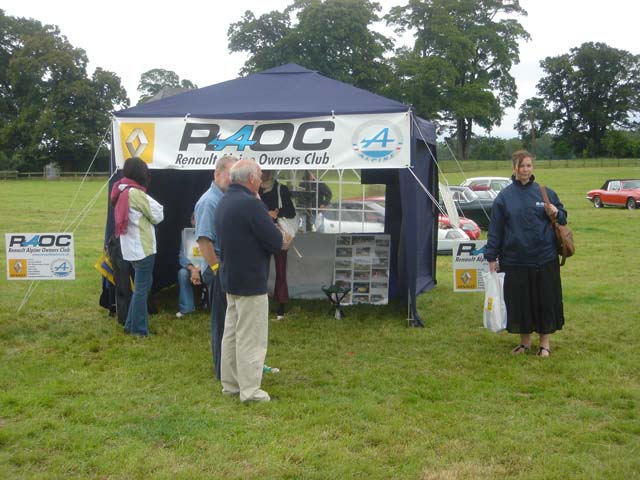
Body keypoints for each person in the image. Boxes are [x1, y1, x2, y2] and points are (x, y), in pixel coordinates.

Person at [215, 159, 292, 402]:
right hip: (250, 280)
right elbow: (275, 241)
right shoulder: (251, 204)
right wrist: (265, 213)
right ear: (250, 179)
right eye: (259, 176)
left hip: (231, 277)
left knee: (231, 334)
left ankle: (231, 384)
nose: (261, 180)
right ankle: (250, 391)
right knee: (251, 337)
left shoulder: (224, 200)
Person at [485, 150, 567, 357]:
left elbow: (563, 217)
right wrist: (491, 256)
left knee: (545, 301)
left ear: (532, 168)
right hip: (515, 260)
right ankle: (524, 343)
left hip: (544, 258)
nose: (525, 170)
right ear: (514, 168)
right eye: (521, 166)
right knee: (521, 302)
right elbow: (495, 229)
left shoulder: (545, 192)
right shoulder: (504, 197)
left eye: (529, 165)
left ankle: (544, 344)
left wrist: (557, 212)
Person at [194, 155, 237, 380]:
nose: (232, 179)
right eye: (229, 174)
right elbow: (204, 240)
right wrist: (217, 269)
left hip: (225, 267)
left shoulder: (225, 198)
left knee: (231, 321)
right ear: (217, 174)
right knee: (221, 323)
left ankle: (231, 367)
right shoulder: (209, 202)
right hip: (218, 269)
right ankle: (222, 371)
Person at [110, 157, 164, 337]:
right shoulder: (135, 193)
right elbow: (158, 214)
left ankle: (130, 324)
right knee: (142, 289)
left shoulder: (120, 189)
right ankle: (139, 330)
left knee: (141, 287)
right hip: (143, 247)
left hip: (129, 247)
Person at [259, 170, 296, 320]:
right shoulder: (255, 190)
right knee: (261, 269)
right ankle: (260, 301)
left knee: (281, 270)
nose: (263, 174)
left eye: (265, 172)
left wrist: (277, 213)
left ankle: (281, 305)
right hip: (261, 234)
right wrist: (266, 214)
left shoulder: (281, 189)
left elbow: (291, 212)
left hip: (279, 234)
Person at [176, 213, 204, 318]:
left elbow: (214, 255)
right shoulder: (186, 235)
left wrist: (200, 268)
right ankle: (187, 308)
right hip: (192, 268)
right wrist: (193, 270)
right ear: (191, 221)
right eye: (194, 219)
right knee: (182, 273)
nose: (196, 222)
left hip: (207, 267)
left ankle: (211, 304)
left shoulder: (211, 233)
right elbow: (182, 256)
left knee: (215, 272)